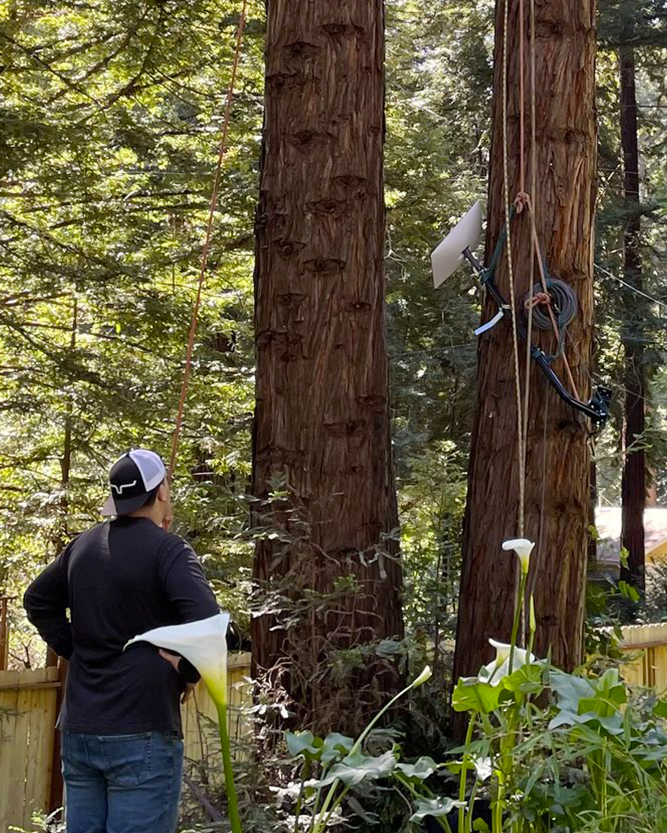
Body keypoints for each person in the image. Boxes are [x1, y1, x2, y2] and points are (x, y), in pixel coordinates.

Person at [23, 448, 219, 833]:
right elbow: (209, 626)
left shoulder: (82, 546)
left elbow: (36, 601)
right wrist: (189, 669)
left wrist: (75, 650)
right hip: (142, 731)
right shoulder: (169, 551)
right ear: (160, 492)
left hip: (80, 731)